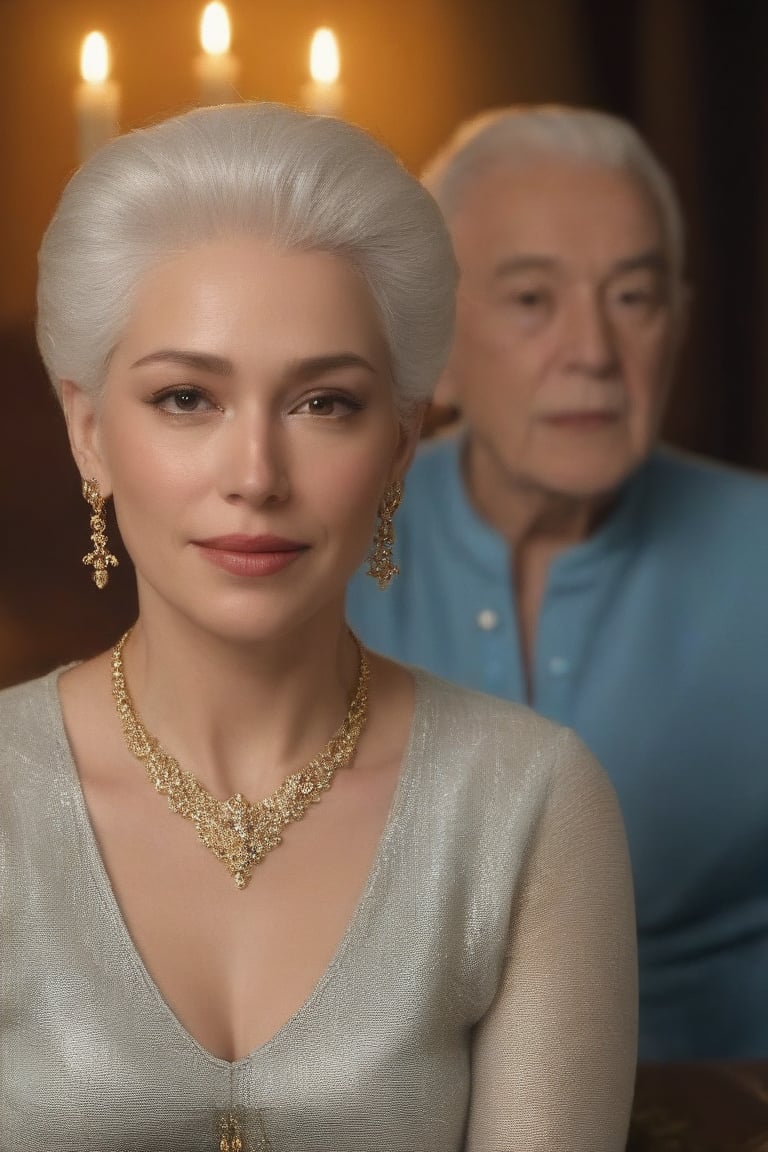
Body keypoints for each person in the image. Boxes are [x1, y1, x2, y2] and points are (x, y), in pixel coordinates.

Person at [0, 103, 636, 1150]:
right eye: (187, 398)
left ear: (400, 445)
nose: (255, 475)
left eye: (324, 403)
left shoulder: (528, 803)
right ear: (88, 433)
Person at [347, 104, 768, 1062]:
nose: (592, 351)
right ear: (434, 341)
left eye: (633, 297)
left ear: (679, 326)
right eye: (533, 299)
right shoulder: (328, 548)